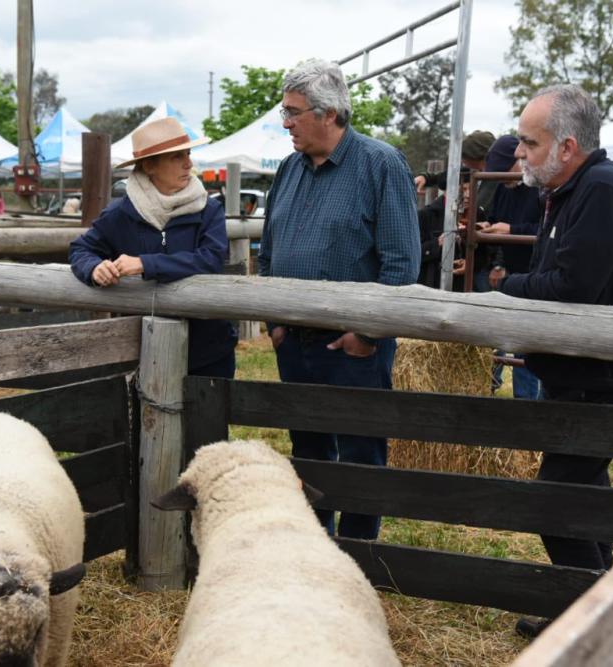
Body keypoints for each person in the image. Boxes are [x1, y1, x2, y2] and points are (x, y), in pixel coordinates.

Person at [499, 84, 613, 640]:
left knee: (553, 504)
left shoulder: (601, 189)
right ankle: (589, 609)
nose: (519, 153)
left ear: (566, 146)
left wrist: (507, 287)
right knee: (587, 496)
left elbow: (573, 285)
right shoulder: (575, 189)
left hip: (601, 378)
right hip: (583, 374)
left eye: (528, 142)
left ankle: (597, 616)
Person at [258, 59, 420, 540]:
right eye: (284, 112)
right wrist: (275, 323)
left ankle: (357, 557)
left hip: (352, 347)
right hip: (295, 342)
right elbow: (268, 252)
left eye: (293, 112)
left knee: (360, 452)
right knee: (307, 450)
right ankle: (313, 548)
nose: (285, 123)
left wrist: (366, 334)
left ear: (328, 114)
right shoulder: (288, 170)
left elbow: (400, 265)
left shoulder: (380, 164)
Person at [69, 117, 237, 378]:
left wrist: (145, 264)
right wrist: (94, 268)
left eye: (188, 154)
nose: (188, 163)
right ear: (149, 166)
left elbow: (211, 259)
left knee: (207, 417)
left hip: (208, 349)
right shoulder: (119, 214)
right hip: (141, 347)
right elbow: (81, 249)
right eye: (176, 157)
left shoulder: (208, 209)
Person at [479, 134, 544, 399]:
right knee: (504, 336)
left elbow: (547, 229)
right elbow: (498, 219)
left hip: (535, 274)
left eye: (504, 170)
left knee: (526, 344)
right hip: (511, 276)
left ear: (518, 161)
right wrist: (487, 227)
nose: (502, 177)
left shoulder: (540, 188)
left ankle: (525, 404)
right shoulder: (504, 189)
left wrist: (512, 230)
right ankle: (498, 393)